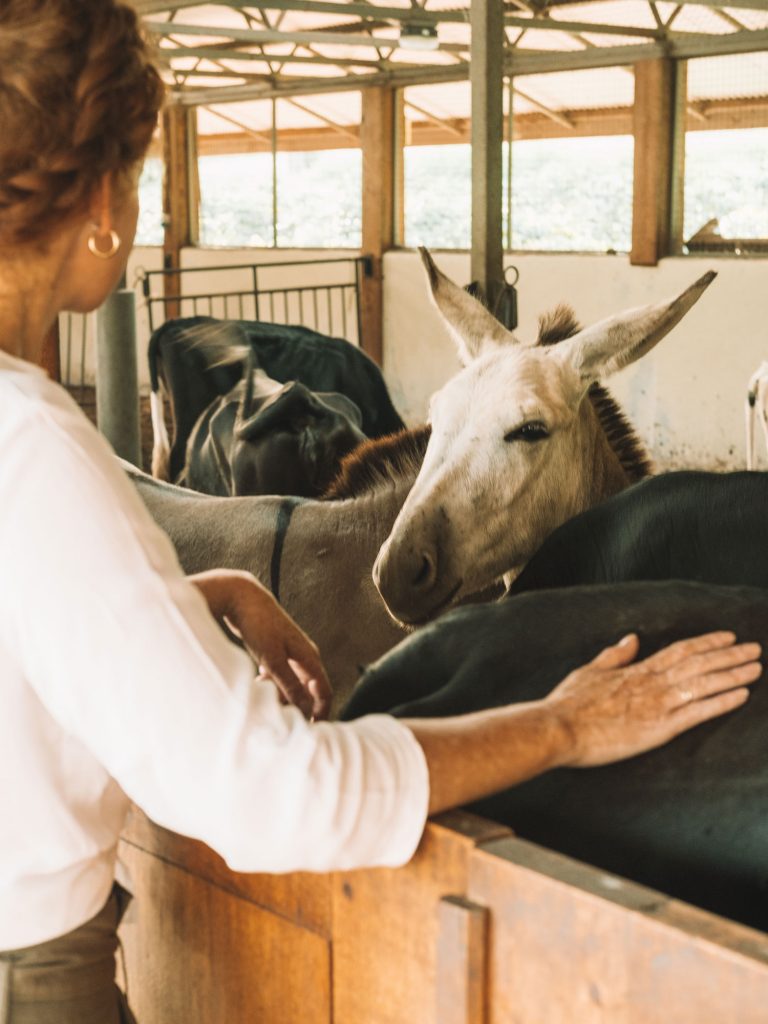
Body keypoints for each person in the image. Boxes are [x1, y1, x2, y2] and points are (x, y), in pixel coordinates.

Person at [0, 2, 761, 1021]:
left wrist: (173, 597)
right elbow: (272, 797)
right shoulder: (36, 442)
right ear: (99, 193)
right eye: (141, 174)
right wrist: (562, 725)